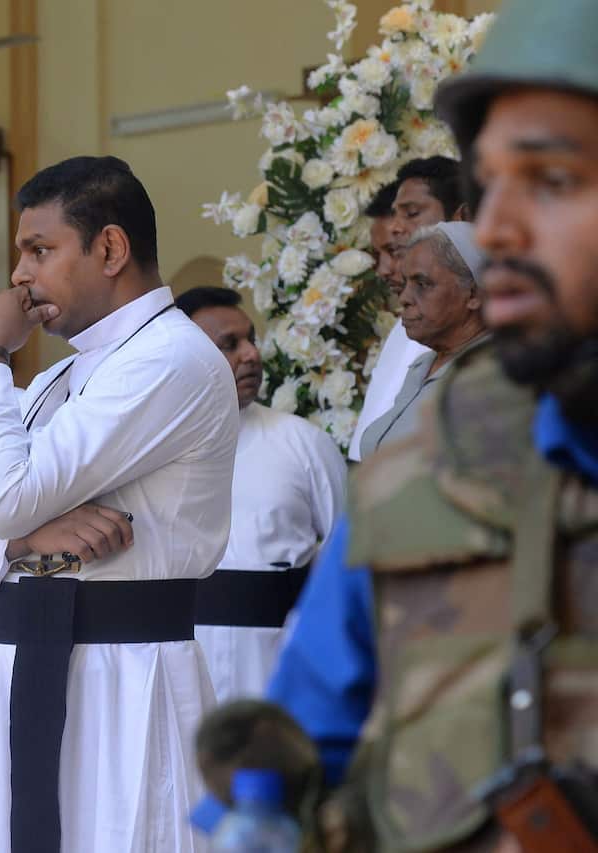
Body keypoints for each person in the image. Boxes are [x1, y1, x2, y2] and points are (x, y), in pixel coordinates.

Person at [265, 0, 598, 848]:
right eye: (489, 187)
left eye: (552, 181)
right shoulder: (422, 474)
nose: (497, 228)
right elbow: (290, 778)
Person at [0, 155, 239, 853]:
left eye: (39, 250)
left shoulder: (168, 359)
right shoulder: (59, 377)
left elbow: (3, 495)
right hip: (27, 663)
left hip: (122, 674)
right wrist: (23, 539)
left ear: (110, 248)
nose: (19, 275)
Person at [177, 286, 346, 702]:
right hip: (177, 675)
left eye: (251, 338)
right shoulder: (146, 451)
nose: (251, 354)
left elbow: (351, 555)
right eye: (229, 345)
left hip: (278, 678)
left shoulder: (302, 444)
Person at [348, 157, 467, 461]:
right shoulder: (407, 324)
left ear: (462, 216)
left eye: (412, 214)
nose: (397, 228)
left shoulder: (492, 331)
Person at [357, 222, 489, 457]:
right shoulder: (423, 366)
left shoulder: (488, 376)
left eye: (422, 284)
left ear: (473, 295)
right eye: (406, 283)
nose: (404, 298)